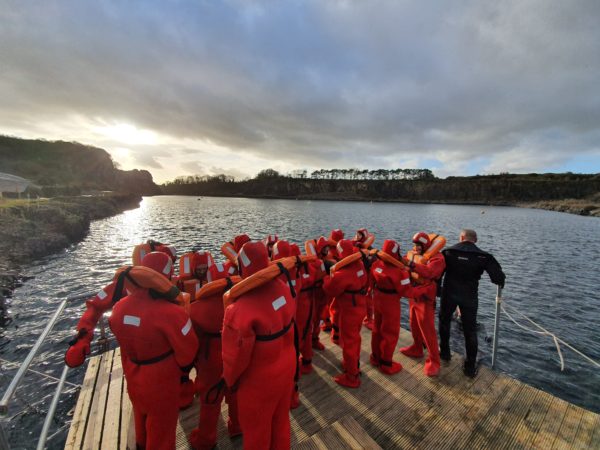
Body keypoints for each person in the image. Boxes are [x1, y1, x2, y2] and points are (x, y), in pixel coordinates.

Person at [109, 252, 199, 450]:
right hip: (161, 382)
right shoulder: (172, 313)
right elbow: (188, 352)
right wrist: (182, 372)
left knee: (141, 417)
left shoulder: (119, 307)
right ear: (166, 277)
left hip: (133, 375)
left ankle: (140, 444)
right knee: (162, 431)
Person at [222, 241, 296, 449]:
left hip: (258, 385)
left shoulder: (239, 310)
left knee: (256, 434)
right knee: (281, 423)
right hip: (286, 371)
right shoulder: (284, 288)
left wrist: (229, 380)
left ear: (242, 268)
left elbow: (235, 357)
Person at [439, 229, 506, 378]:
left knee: (444, 322)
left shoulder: (448, 252)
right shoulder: (484, 256)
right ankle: (469, 367)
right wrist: (501, 280)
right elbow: (498, 278)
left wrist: (438, 290)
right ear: (475, 240)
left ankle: (444, 353)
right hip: (469, 297)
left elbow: (437, 274)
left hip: (449, 294)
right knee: (470, 330)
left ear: (461, 237)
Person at [370, 239, 432, 375]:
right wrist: (424, 289)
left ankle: (375, 357)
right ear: (396, 253)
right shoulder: (400, 272)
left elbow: (371, 282)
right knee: (390, 333)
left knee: (377, 329)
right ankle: (386, 364)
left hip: (377, 299)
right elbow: (407, 292)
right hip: (391, 303)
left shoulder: (375, 264)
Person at [323, 239, 368, 388]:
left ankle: (352, 377)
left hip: (350, 311)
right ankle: (354, 365)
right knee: (355, 338)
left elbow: (330, 289)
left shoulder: (342, 274)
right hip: (361, 308)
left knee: (348, 342)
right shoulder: (360, 265)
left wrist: (325, 277)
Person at [400, 232, 445, 377]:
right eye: (415, 245)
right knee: (413, 324)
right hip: (414, 295)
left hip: (426, 298)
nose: (416, 248)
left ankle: (434, 361)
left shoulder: (438, 258)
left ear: (425, 245)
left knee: (428, 331)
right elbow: (405, 262)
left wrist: (411, 265)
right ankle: (417, 348)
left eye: (418, 245)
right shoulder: (414, 254)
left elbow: (431, 272)